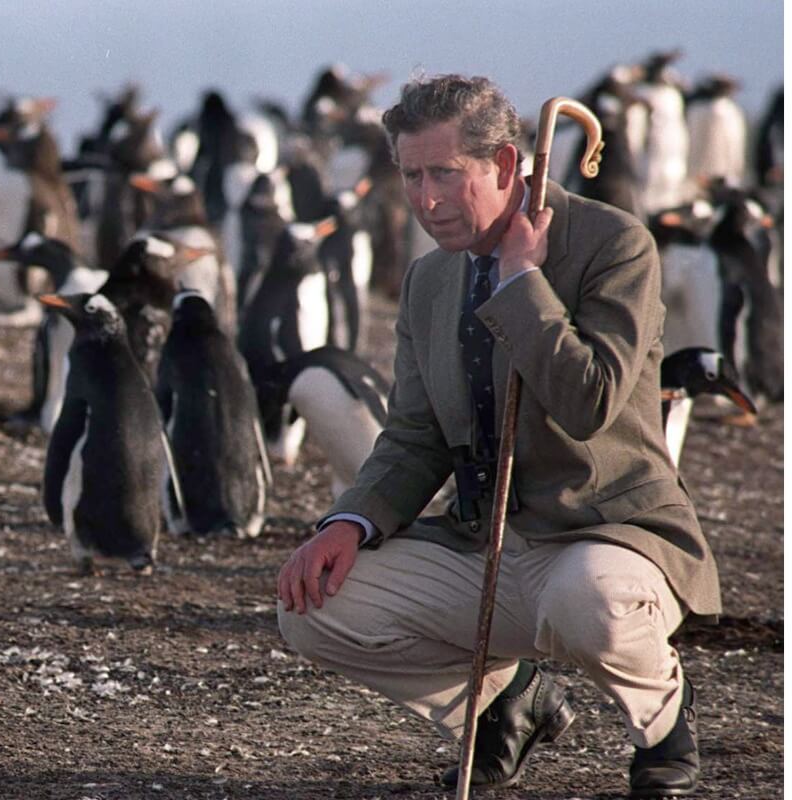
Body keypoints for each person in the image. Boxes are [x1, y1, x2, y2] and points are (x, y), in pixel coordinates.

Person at [275, 74, 718, 799]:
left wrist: (520, 283)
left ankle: (662, 724)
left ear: (507, 165)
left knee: (589, 602)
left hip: (609, 537)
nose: (425, 200)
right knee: (317, 607)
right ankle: (508, 703)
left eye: (445, 174)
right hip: (490, 547)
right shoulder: (428, 281)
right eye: (412, 176)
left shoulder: (611, 244)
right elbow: (415, 436)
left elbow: (590, 402)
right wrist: (348, 523)